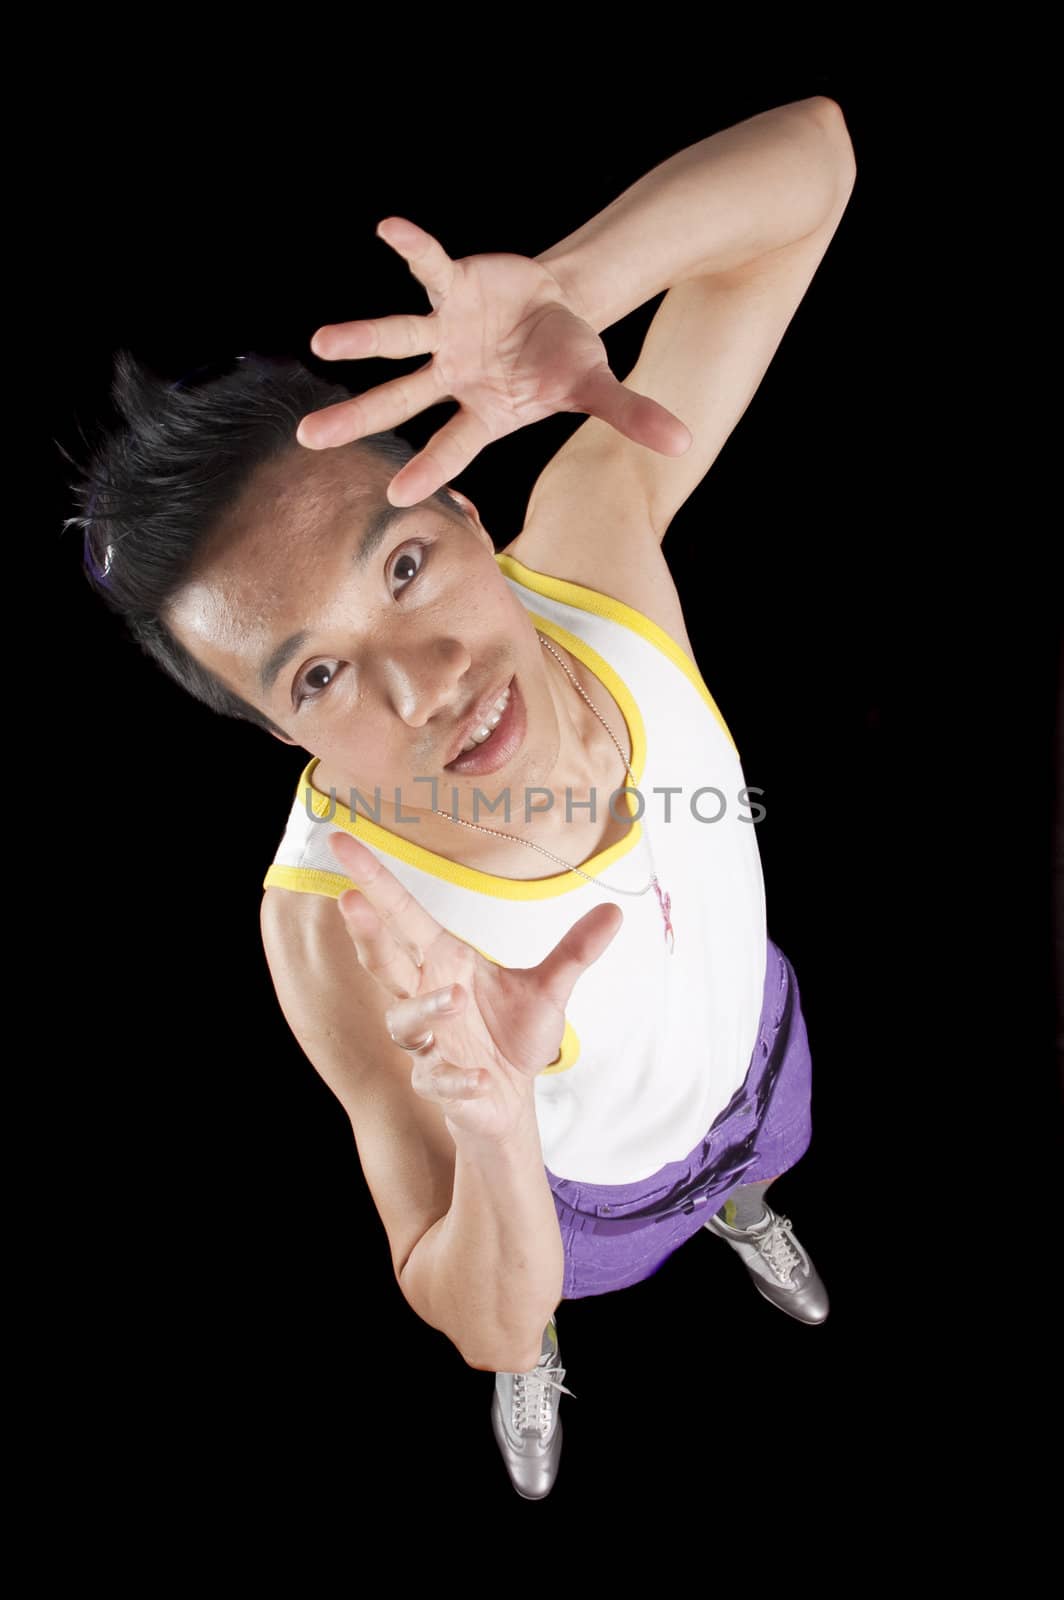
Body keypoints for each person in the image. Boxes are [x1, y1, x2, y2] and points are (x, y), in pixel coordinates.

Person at [67, 94, 857, 1501]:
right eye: (318, 678)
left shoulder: (601, 557)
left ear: (471, 517)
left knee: (755, 1164)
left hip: (751, 1053)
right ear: (279, 739)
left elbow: (817, 164)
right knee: (526, 1323)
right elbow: (472, 1302)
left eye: (403, 571)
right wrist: (492, 1127)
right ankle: (552, 1378)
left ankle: (746, 1210)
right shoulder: (334, 929)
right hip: (573, 1205)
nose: (422, 683)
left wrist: (581, 282)